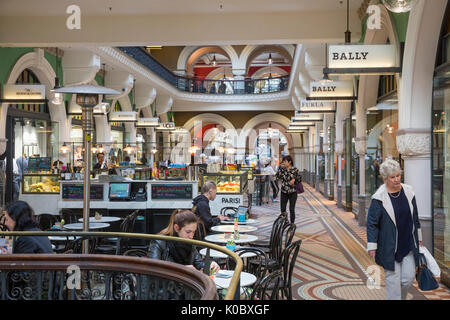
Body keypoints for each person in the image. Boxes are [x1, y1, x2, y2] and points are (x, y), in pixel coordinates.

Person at [366, 159, 423, 300]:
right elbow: (372, 223)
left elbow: (415, 216)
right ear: (386, 179)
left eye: (398, 175)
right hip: (389, 246)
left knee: (408, 279)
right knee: (393, 281)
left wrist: (419, 238)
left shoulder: (409, 192)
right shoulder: (379, 198)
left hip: (408, 243)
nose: (396, 179)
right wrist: (372, 246)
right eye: (393, 177)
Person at [148, 210, 220, 273]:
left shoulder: (189, 243)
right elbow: (153, 269)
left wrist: (210, 264)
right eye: (188, 232)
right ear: (176, 228)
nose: (191, 236)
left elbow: (198, 263)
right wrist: (182, 270)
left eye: (193, 232)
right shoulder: (159, 241)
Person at [275, 155, 302, 223]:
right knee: (283, 209)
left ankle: (292, 224)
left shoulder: (295, 170)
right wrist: (280, 168)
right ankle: (285, 222)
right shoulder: (282, 170)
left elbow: (299, 179)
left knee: (291, 209)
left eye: (285, 161)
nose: (284, 163)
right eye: (283, 161)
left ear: (289, 162)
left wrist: (294, 180)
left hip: (293, 192)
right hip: (284, 191)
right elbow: (277, 176)